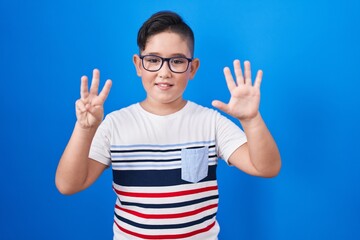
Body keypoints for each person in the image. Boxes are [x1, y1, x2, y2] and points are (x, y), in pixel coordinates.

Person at [55, 10, 281, 240]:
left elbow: (266, 167)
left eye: (177, 61)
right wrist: (84, 129)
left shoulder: (210, 122)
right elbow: (68, 185)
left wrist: (251, 120)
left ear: (192, 68)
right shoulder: (115, 124)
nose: (164, 72)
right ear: (138, 64)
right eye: (153, 60)